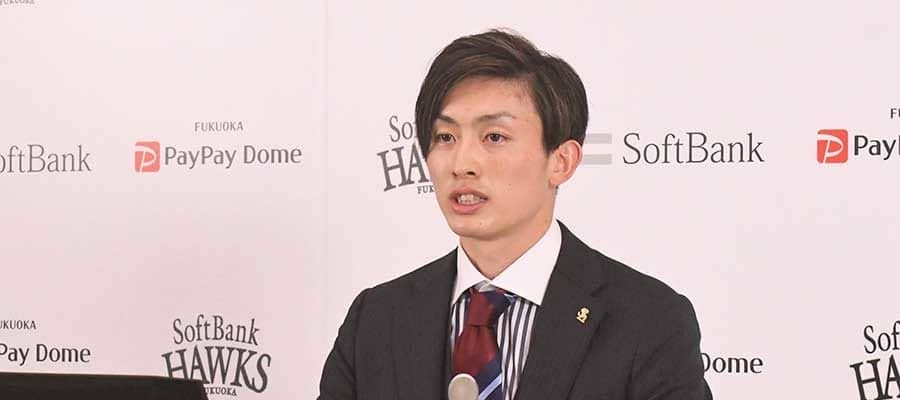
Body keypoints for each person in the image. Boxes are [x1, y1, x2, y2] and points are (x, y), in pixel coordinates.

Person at [319, 29, 712, 400]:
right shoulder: (376, 319)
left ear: (561, 161)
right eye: (445, 137)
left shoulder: (649, 320)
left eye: (494, 137)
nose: (462, 163)